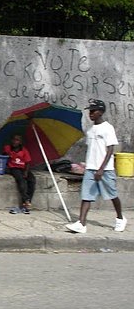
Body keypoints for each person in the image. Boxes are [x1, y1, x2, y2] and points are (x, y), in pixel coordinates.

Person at [66, 99, 127, 234]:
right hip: (90, 168)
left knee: (112, 195)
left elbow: (110, 149)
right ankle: (82, 223)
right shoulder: (90, 130)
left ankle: (120, 218)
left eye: (93, 111)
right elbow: (92, 149)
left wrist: (101, 169)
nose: (90, 113)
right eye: (90, 111)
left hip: (105, 169)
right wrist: (87, 165)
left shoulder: (107, 128)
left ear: (100, 112)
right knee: (86, 196)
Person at [3, 134, 35, 214]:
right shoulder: (7, 148)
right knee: (21, 180)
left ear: (20, 142)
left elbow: (27, 162)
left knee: (32, 180)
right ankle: (26, 200)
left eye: (17, 140)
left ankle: (27, 201)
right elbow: (3, 156)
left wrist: (26, 172)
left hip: (23, 168)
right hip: (13, 168)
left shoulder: (24, 150)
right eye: (13, 139)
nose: (15, 142)